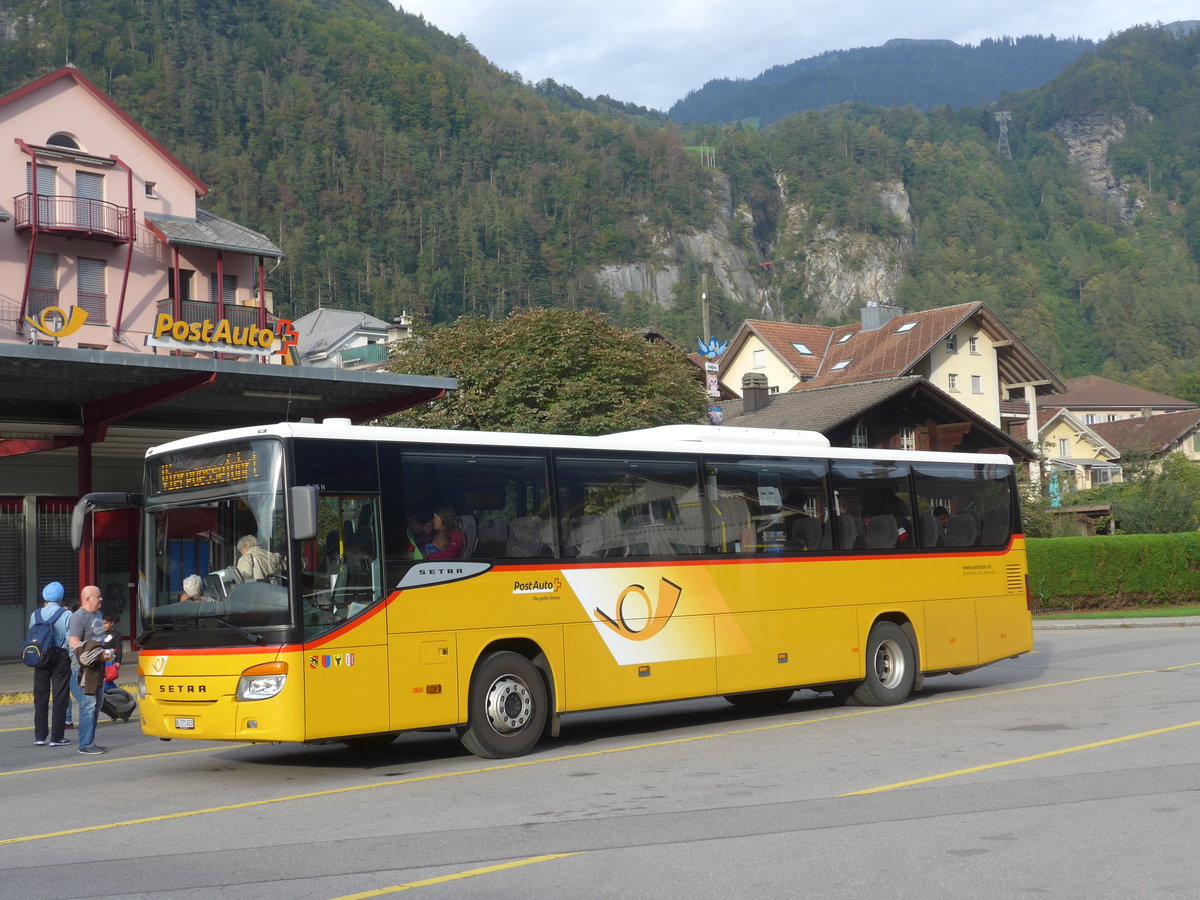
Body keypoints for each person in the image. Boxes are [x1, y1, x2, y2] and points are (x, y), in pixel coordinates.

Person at [68, 584, 115, 755]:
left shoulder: (98, 614)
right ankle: (85, 744)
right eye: (98, 596)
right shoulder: (77, 618)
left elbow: (98, 638)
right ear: (88, 599)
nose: (101, 599)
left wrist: (104, 654)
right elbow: (73, 642)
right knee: (88, 705)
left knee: (98, 704)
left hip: (98, 667)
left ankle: (90, 741)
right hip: (83, 670)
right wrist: (94, 654)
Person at [31, 581, 73, 747]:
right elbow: (70, 641)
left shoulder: (36, 614)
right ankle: (57, 737)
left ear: (44, 597)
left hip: (40, 657)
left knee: (40, 697)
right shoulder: (66, 614)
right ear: (61, 597)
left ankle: (40, 736)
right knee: (60, 697)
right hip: (60, 658)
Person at [101, 614, 123, 691]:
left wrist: (118, 661)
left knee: (107, 678)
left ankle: (113, 694)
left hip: (110, 661)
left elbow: (119, 648)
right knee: (103, 680)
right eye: (102, 623)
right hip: (101, 659)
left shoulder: (116, 634)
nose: (104, 625)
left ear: (112, 623)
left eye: (106, 623)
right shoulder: (100, 634)